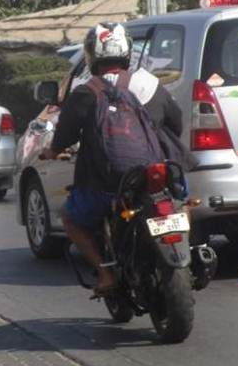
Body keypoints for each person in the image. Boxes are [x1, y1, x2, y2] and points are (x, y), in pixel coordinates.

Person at [41, 23, 171, 295]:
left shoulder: (85, 92)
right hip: (152, 176)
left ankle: (105, 274)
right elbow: (176, 122)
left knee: (71, 218)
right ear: (127, 52)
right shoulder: (149, 83)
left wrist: (53, 151)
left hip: (105, 183)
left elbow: (64, 136)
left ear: (91, 55)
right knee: (178, 204)